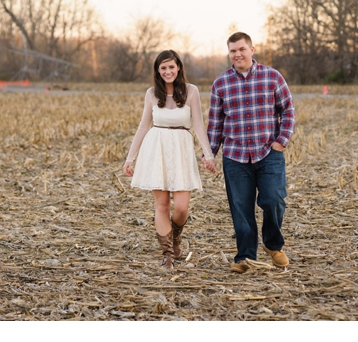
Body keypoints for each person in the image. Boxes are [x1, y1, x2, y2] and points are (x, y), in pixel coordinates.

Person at [206, 32, 295, 272]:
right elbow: (215, 124)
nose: (237, 54)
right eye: (233, 51)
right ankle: (244, 257)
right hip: (235, 156)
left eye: (241, 49)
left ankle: (273, 245)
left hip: (268, 153)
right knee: (241, 208)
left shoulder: (272, 77)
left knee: (274, 199)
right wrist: (210, 153)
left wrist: (282, 140)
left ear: (252, 50)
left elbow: (287, 110)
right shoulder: (220, 84)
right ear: (229, 54)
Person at [123, 49, 217, 269]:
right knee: (162, 205)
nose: (167, 71)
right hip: (157, 148)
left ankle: (175, 237)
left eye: (171, 67)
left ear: (178, 68)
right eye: (163, 67)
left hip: (181, 149)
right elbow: (144, 125)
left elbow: (198, 125)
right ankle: (168, 254)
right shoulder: (151, 93)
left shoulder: (191, 91)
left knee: (182, 207)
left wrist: (208, 153)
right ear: (158, 70)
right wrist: (130, 158)